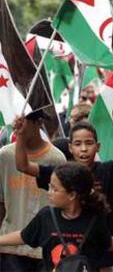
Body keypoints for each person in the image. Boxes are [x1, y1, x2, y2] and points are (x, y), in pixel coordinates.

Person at [13, 114, 113, 269]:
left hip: (105, 250)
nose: (83, 149)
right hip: (69, 255)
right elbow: (23, 166)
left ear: (98, 146)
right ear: (70, 148)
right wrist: (20, 135)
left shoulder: (110, 170)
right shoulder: (60, 174)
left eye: (89, 143)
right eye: (78, 144)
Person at [0, 162, 113, 271]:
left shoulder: (93, 217)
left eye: (54, 189)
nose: (49, 192)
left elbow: (107, 241)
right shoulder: (46, 216)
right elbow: (24, 236)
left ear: (72, 195)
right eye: (49, 187)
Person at [0, 110, 66, 271]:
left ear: (39, 122)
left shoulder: (56, 159)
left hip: (45, 247)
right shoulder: (5, 156)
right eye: (15, 121)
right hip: (10, 246)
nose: (17, 126)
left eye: (23, 122)